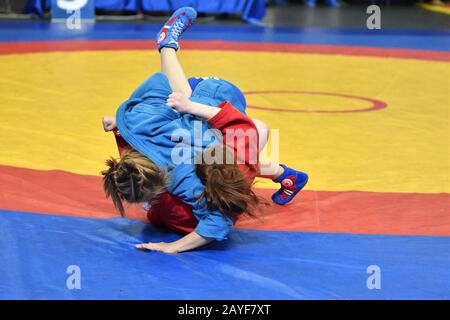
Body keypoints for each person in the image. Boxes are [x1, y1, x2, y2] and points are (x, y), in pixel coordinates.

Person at [101, 7, 308, 253]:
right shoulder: (139, 129)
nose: (149, 204)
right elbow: (156, 83)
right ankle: (287, 175)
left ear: (162, 184)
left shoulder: (184, 179)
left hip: (219, 98)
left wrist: (173, 247)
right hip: (200, 109)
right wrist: (121, 120)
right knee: (216, 141)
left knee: (244, 146)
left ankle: (167, 46)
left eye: (149, 198)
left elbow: (217, 224)